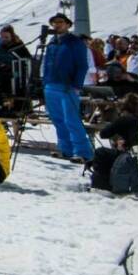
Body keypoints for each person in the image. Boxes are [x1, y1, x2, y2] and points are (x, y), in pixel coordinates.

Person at [41, 12, 94, 163]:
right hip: (51, 84)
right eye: (55, 22)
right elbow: (47, 63)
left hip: (67, 86)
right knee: (57, 119)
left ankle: (82, 152)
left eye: (61, 22)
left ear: (68, 25)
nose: (57, 25)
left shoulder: (74, 42)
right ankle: (65, 149)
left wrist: (76, 85)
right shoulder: (51, 42)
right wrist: (44, 81)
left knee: (71, 119)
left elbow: (82, 65)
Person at [90, 94, 138, 193]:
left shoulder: (124, 119)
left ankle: (101, 185)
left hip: (132, 155)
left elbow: (103, 134)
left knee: (101, 152)